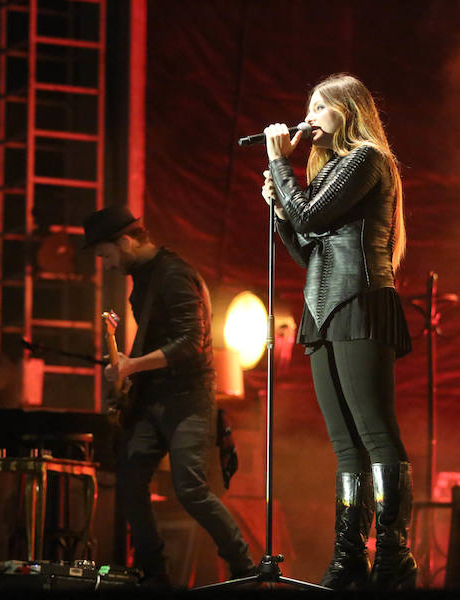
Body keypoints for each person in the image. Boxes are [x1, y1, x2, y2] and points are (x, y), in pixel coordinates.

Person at [261, 73, 416, 590]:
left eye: (319, 108)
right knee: (345, 446)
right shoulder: (329, 173)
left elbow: (309, 217)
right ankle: (350, 555)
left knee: (375, 434)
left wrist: (281, 168)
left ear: (347, 110)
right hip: (322, 308)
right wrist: (280, 210)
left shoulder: (368, 159)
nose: (308, 118)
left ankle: (394, 555)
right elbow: (309, 248)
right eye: (307, 108)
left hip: (360, 303)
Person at [82, 206, 256, 587]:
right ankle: (154, 574)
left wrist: (131, 366)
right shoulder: (143, 278)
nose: (106, 265)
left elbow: (191, 344)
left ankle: (246, 570)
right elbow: (156, 339)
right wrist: (126, 366)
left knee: (190, 488)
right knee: (129, 479)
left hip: (188, 396)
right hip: (152, 397)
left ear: (124, 242)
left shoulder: (175, 275)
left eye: (106, 255)